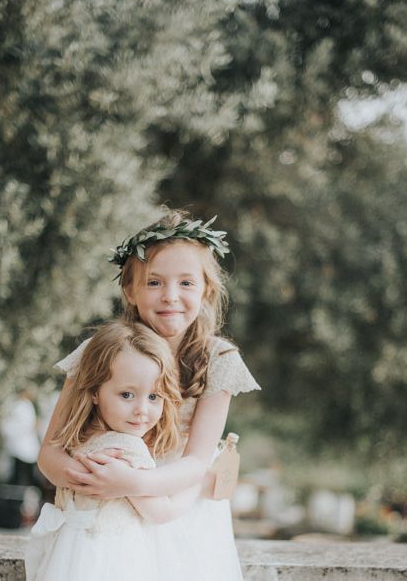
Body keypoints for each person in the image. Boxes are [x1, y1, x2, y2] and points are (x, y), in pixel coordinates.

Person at [38, 210, 260, 580]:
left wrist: (135, 483)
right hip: (105, 517)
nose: (170, 296)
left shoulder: (217, 359)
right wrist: (94, 480)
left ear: (206, 289)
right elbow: (49, 452)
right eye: (154, 282)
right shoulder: (100, 350)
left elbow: (195, 463)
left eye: (186, 283)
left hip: (181, 513)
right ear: (130, 289)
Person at [25, 320, 189, 581]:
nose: (142, 410)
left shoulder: (78, 443)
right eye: (127, 395)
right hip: (116, 561)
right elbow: (161, 513)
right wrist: (196, 488)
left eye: (154, 397)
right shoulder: (128, 450)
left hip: (67, 555)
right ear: (94, 392)